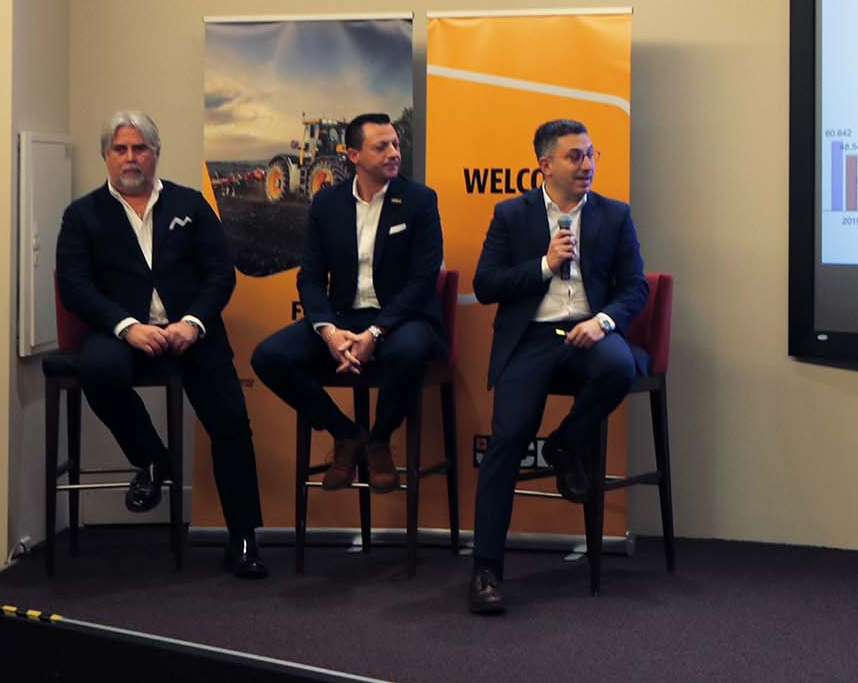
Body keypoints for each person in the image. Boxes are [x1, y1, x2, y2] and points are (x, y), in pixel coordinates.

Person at [55, 111, 267, 578]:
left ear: (156, 153)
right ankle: (153, 458)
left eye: (140, 148)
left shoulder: (191, 204)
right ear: (107, 155)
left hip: (193, 334)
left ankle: (244, 538)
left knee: (231, 421)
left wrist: (193, 322)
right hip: (123, 334)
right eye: (120, 149)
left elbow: (220, 274)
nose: (130, 158)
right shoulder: (83, 215)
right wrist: (126, 326)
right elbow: (74, 286)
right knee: (97, 369)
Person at [467, 119, 646, 615]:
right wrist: (544, 265)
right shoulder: (512, 215)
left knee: (619, 366)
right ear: (545, 165)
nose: (587, 165)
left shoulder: (614, 214)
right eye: (575, 156)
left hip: (587, 334)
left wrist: (603, 321)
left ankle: (565, 442)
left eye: (590, 154)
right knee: (508, 439)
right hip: (532, 337)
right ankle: (485, 569)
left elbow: (636, 287)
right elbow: (486, 285)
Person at [251, 114, 445, 495]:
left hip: (402, 318)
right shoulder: (327, 203)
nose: (394, 152)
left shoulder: (420, 201)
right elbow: (310, 278)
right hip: (342, 317)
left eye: (395, 144)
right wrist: (328, 332)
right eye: (381, 146)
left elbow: (423, 282)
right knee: (268, 357)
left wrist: (376, 332)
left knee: (407, 352)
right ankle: (346, 433)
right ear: (353, 155)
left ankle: (379, 441)